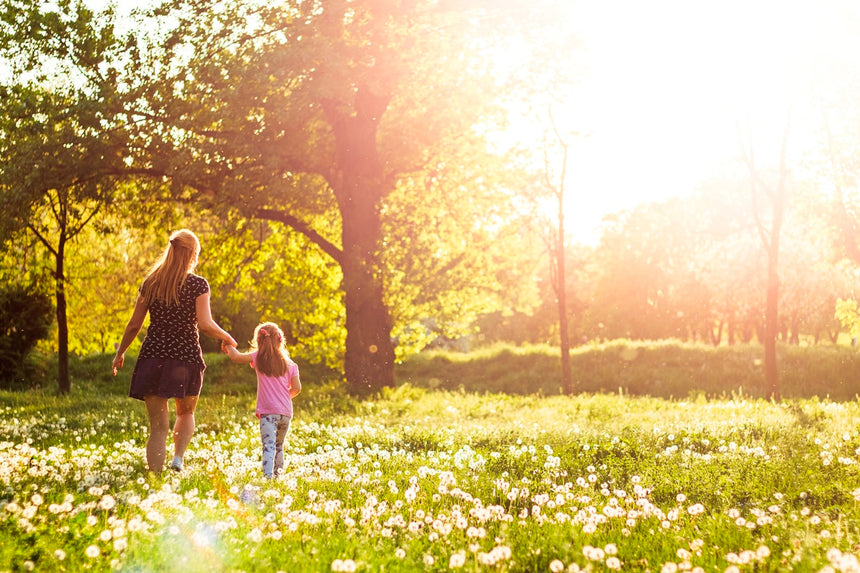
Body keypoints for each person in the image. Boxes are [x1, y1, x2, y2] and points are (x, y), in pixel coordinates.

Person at [112, 229, 237, 473]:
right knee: (186, 412)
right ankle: (178, 459)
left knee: (158, 427)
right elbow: (205, 324)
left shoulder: (150, 282)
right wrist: (226, 336)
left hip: (153, 357)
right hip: (185, 357)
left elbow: (134, 325)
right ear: (192, 254)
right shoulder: (198, 284)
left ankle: (155, 479)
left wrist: (120, 354)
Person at [221, 322, 301, 479]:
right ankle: (278, 478)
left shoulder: (258, 358)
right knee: (279, 447)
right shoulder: (291, 365)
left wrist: (228, 345)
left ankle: (267, 478)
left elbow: (236, 357)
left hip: (268, 413)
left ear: (259, 341)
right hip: (285, 413)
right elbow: (297, 388)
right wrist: (283, 398)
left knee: (268, 446)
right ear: (280, 341)